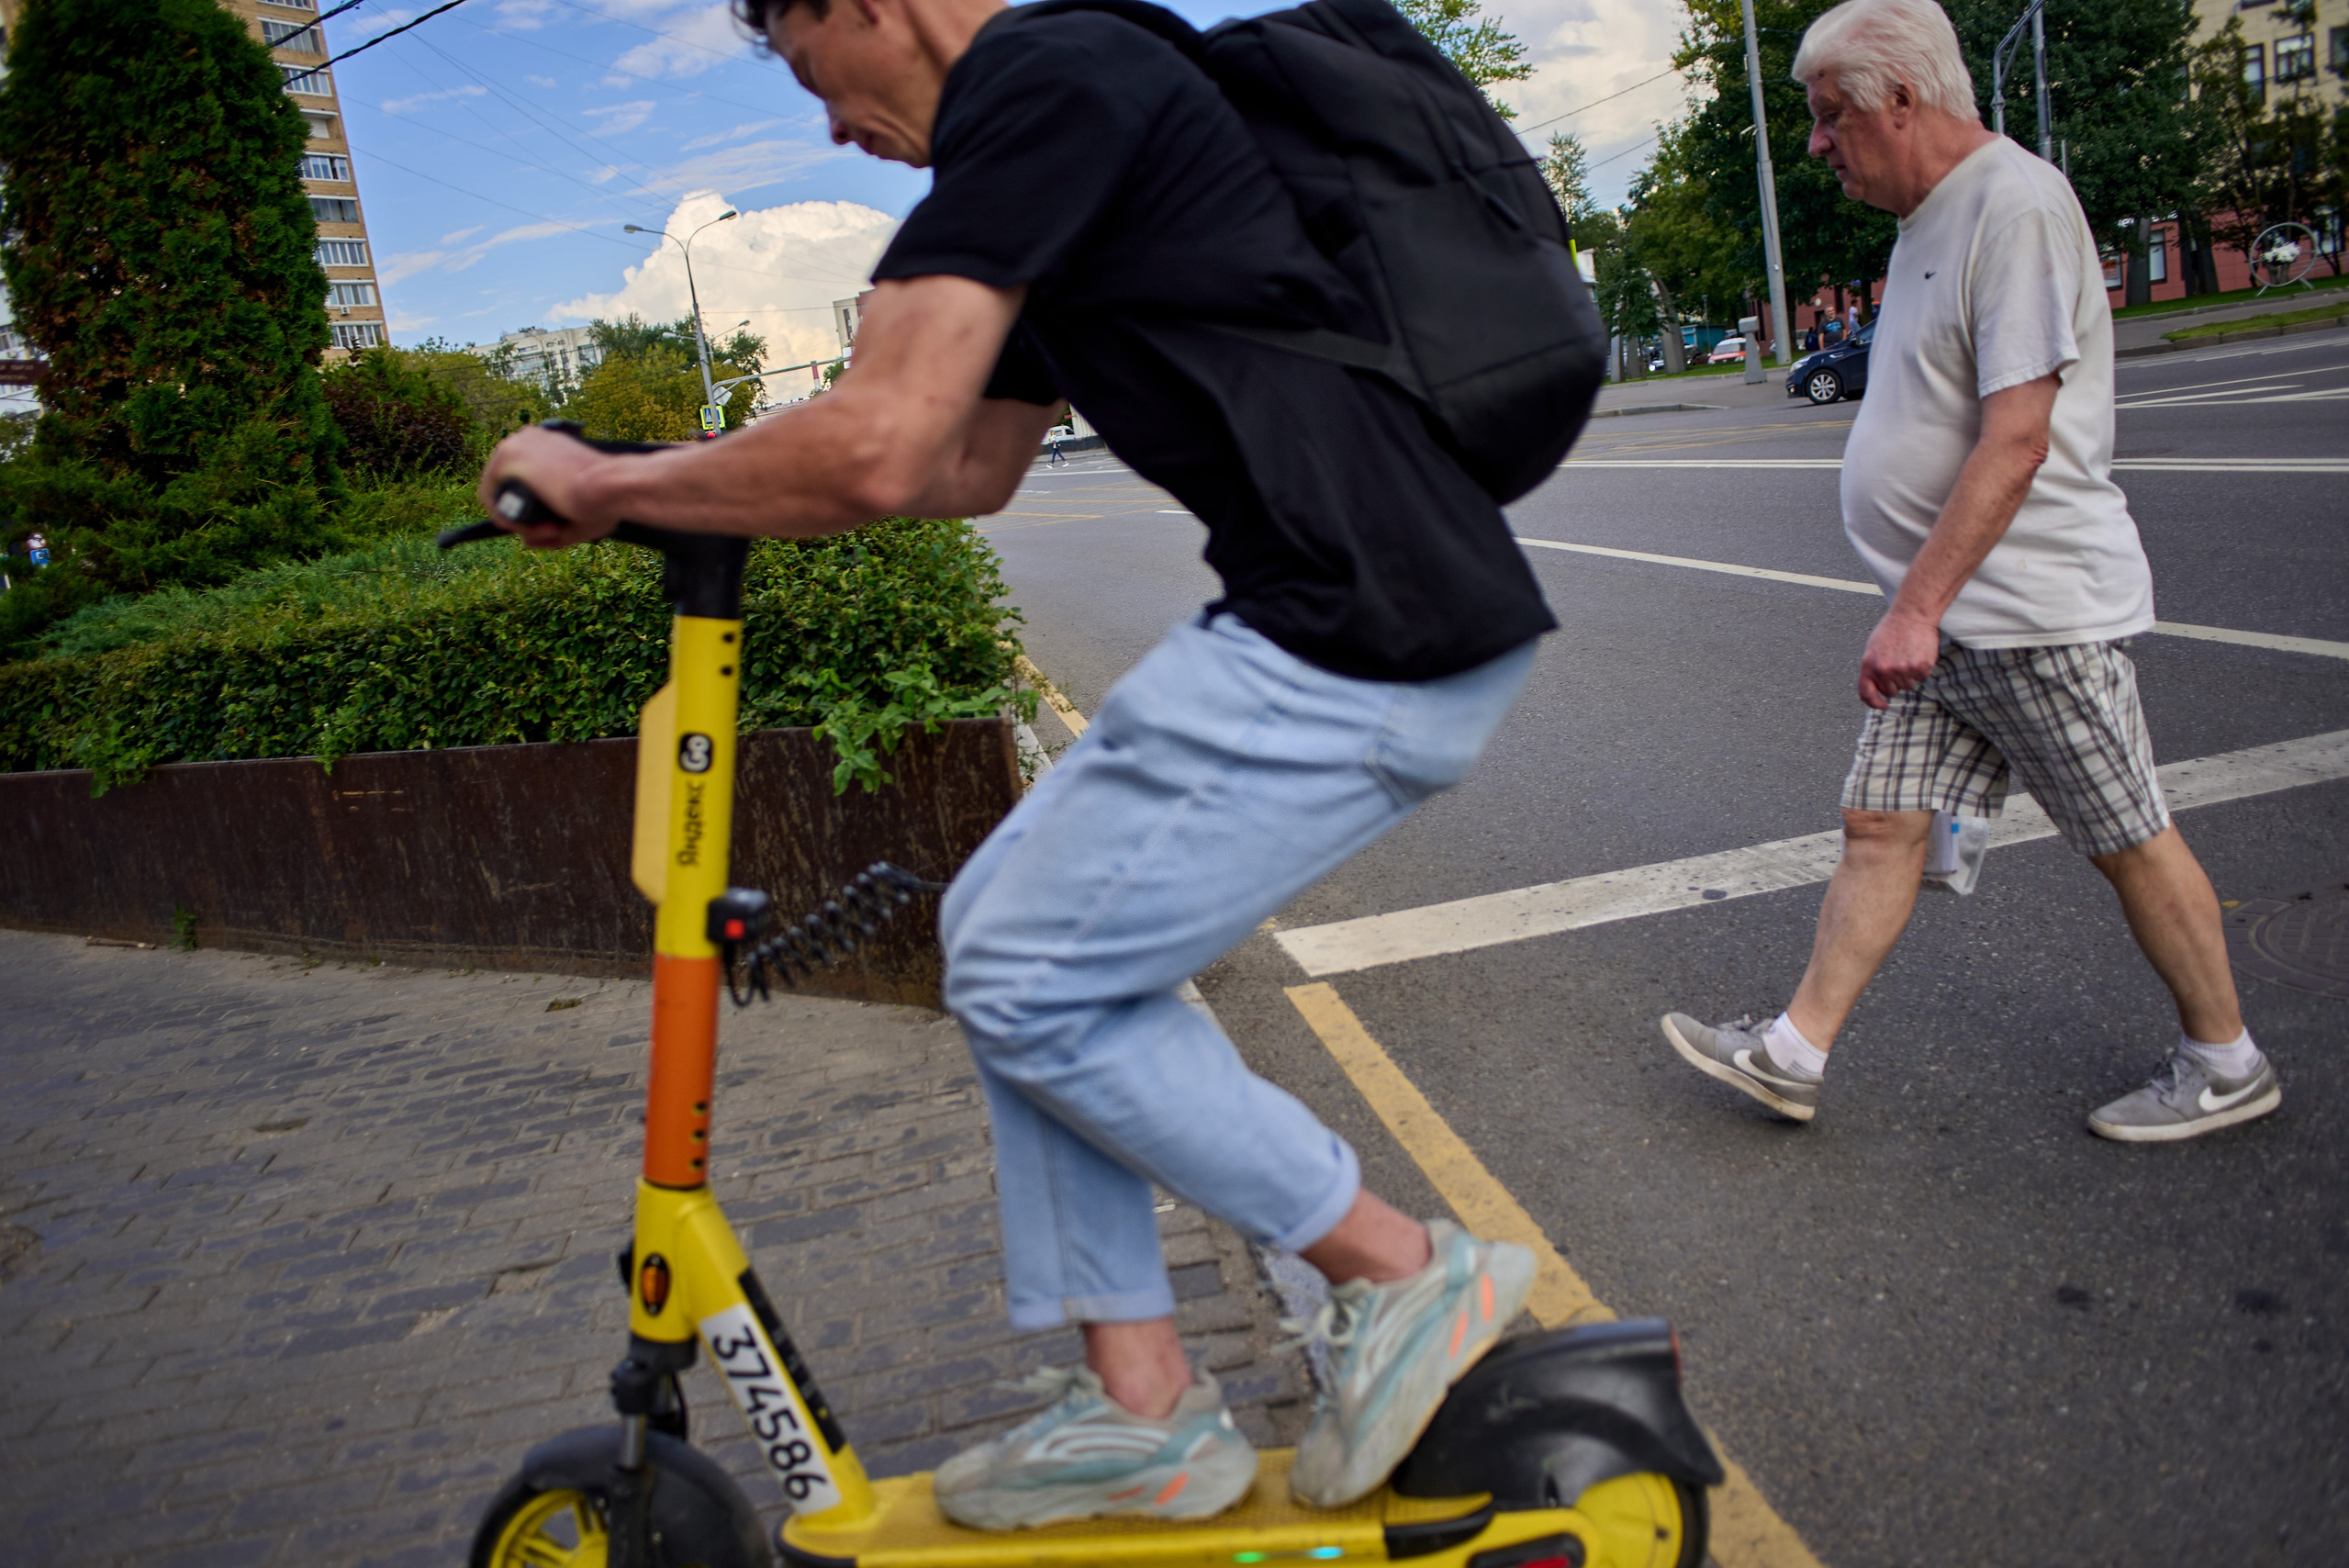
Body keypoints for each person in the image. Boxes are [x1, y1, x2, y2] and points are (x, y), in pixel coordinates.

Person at [476, 0, 1547, 1531]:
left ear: (867, 7)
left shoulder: (1042, 86)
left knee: (1026, 964)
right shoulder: (1074, 124)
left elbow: (881, 445)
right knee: (1011, 948)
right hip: (1344, 618)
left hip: (1355, 626)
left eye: (804, 70)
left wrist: (609, 473)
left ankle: (1397, 1272)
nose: (829, 123)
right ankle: (1142, 1407)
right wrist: (683, 491)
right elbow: (959, 463)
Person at [1658, 0, 2276, 1144]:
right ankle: (1794, 1052)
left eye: (1829, 113)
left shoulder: (2017, 205)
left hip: (2026, 612)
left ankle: (2227, 1059)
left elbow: (2019, 437)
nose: (1815, 141)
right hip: (1948, 629)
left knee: (2129, 834)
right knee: (1879, 825)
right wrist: (1920, 609)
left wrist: (1918, 604)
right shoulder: (1929, 220)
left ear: (1906, 99)